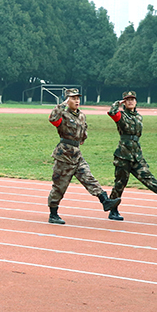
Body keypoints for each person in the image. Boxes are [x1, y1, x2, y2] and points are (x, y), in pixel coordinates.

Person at [47, 88, 120, 225]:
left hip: (76, 153)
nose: (76, 101)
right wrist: (62, 105)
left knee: (89, 178)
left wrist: (82, 138)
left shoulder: (81, 115)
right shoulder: (62, 113)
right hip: (64, 155)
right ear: (67, 100)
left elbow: (83, 131)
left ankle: (105, 201)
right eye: (73, 98)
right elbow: (52, 119)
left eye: (77, 98)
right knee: (59, 186)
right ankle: (53, 213)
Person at [106, 91, 157, 220]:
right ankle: (113, 210)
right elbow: (112, 113)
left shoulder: (139, 116)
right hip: (124, 154)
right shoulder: (121, 115)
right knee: (120, 183)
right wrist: (117, 104)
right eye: (127, 100)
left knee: (147, 176)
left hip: (136, 154)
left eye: (132, 99)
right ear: (124, 102)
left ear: (136, 102)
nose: (130, 101)